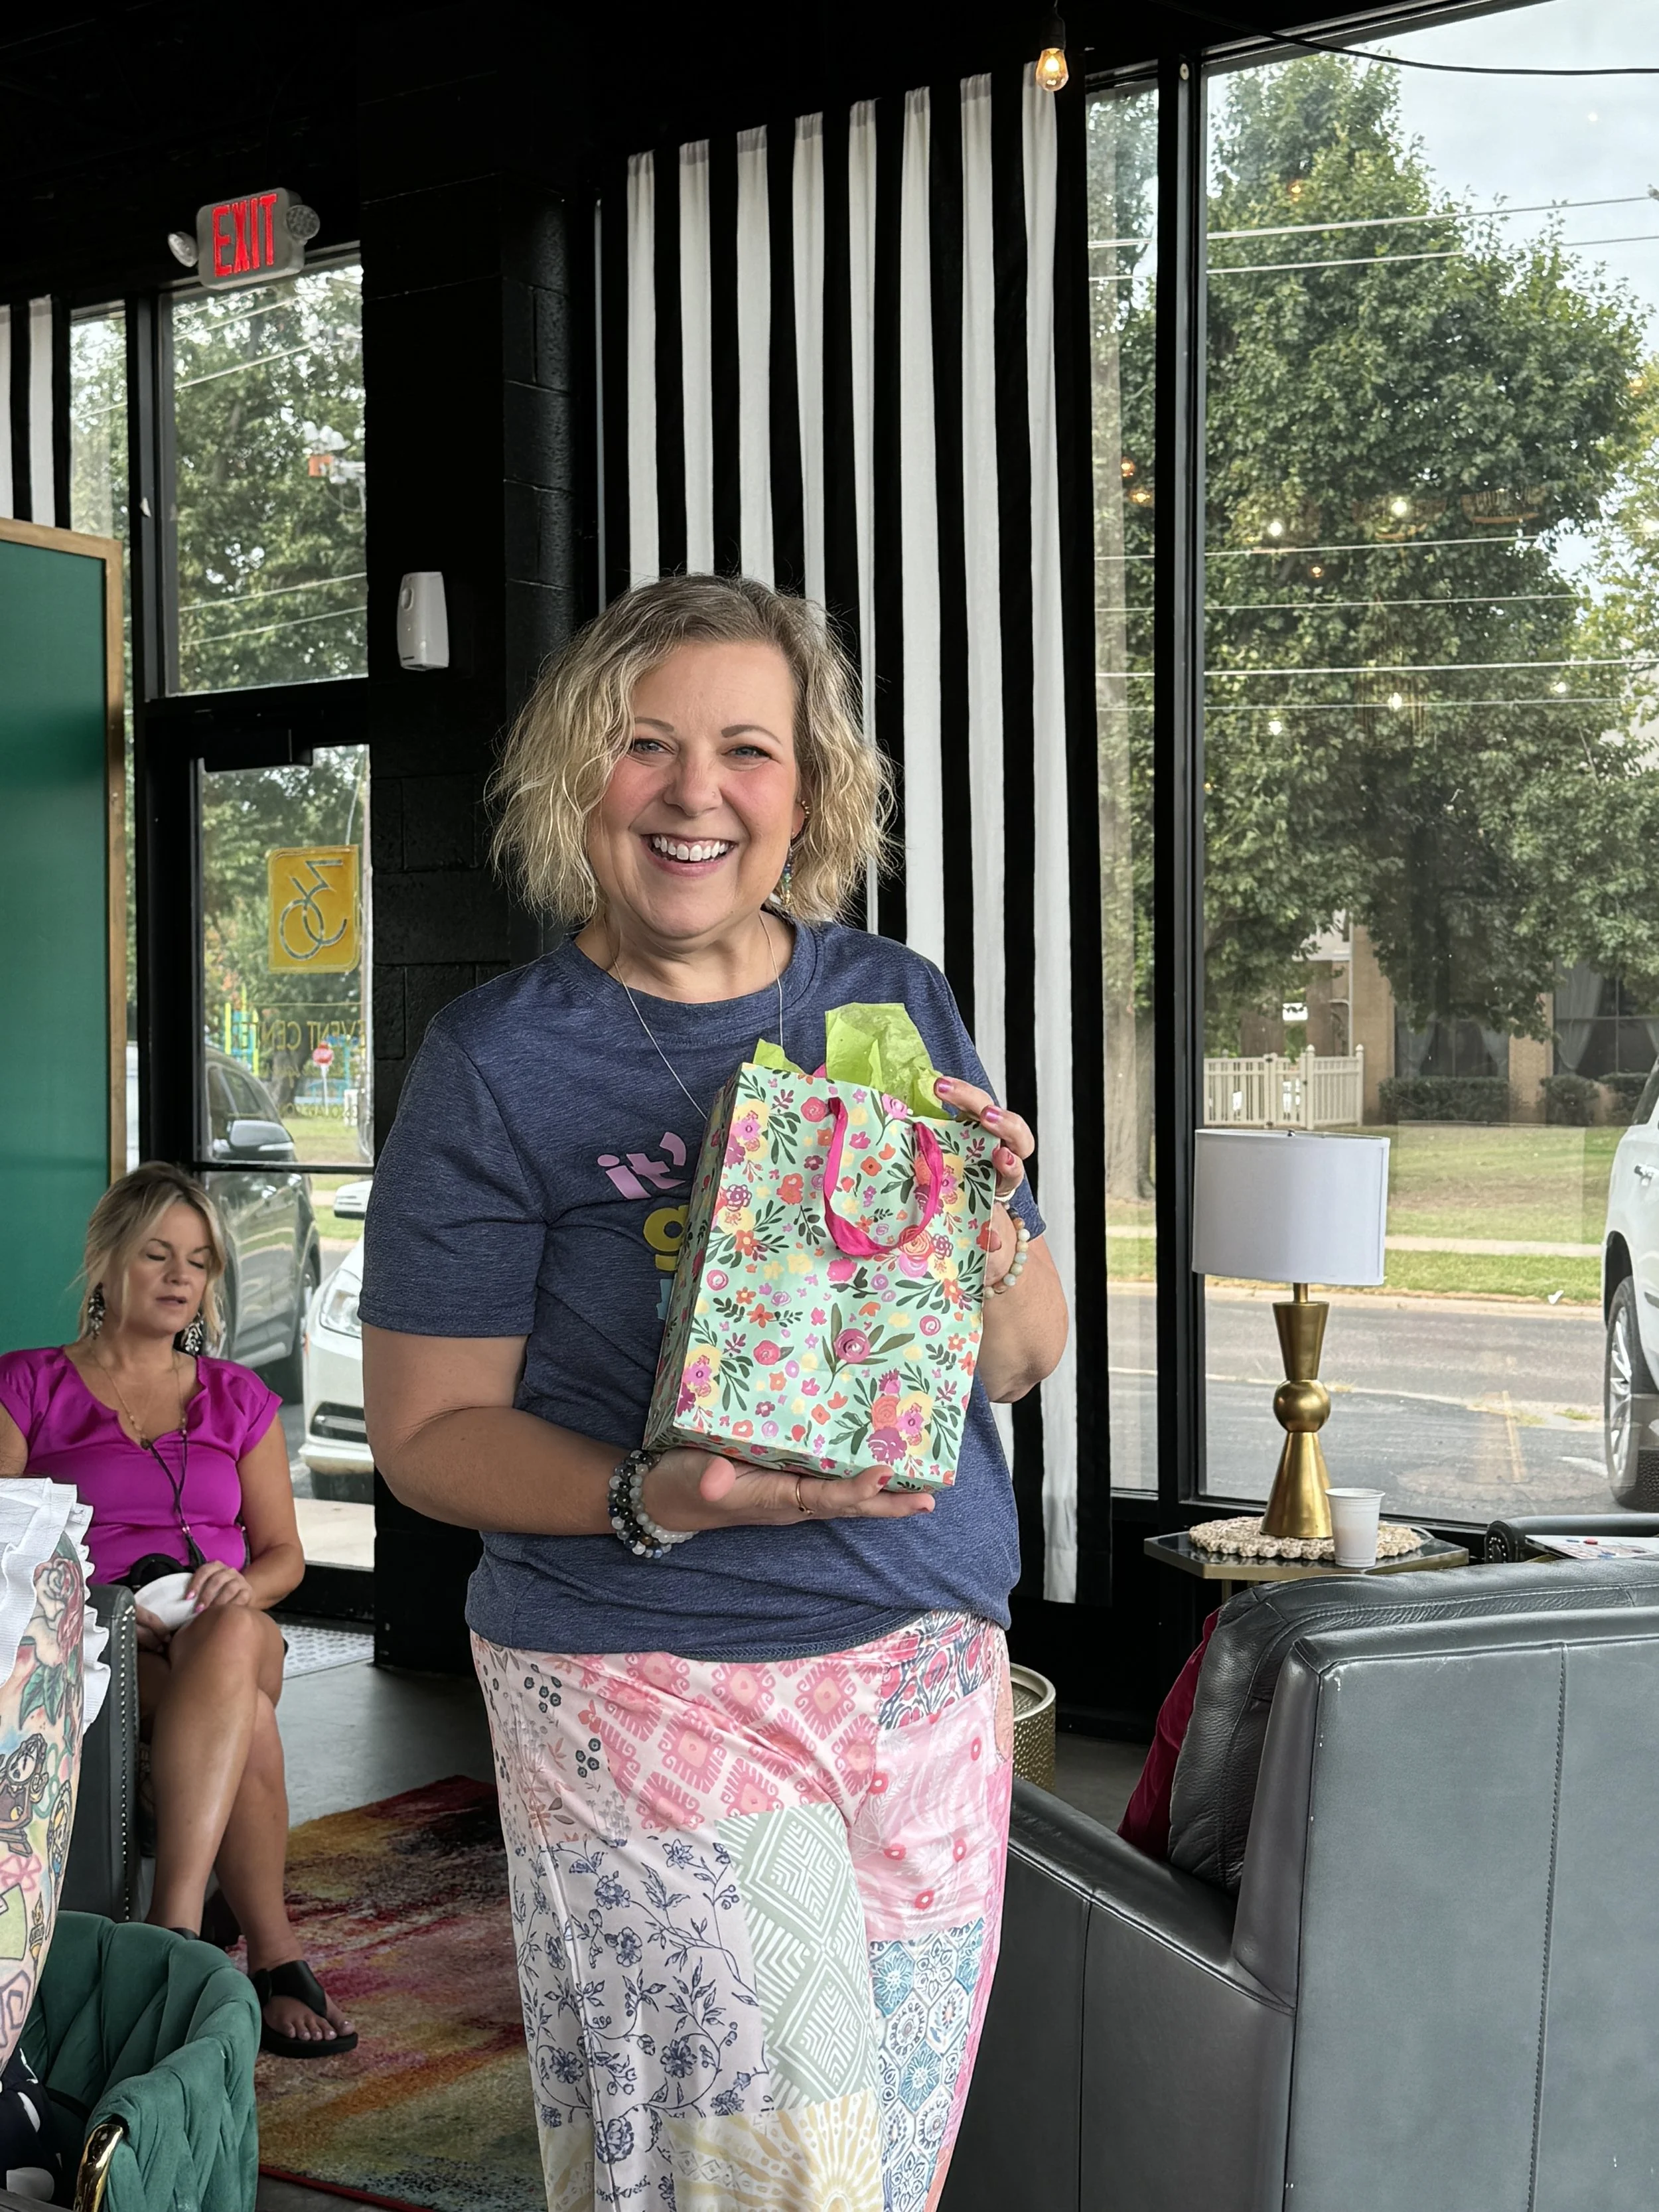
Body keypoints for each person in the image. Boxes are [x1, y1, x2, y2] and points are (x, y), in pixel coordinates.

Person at [362, 573, 1070, 2212]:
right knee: (756, 2183)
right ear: (574, 780)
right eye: (644, 746)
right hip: (646, 1672)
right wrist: (644, 1494)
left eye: (747, 750)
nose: (696, 792)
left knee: (881, 2174)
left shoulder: (887, 1000)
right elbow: (424, 1435)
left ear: (805, 790)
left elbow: (1020, 1361)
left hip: (918, 1664)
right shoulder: (496, 1056)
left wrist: (973, 1213)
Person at [0, 1165, 356, 2059]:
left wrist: (243, 1587)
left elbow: (283, 1556)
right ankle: (273, 1958)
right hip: (93, 1641)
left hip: (225, 1627)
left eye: (197, 1262)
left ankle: (172, 1930)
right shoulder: (29, 1385)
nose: (178, 1276)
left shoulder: (239, 1397)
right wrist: (93, 1601)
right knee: (254, 1726)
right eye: (157, 1253)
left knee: (236, 1632)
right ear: (105, 1261)